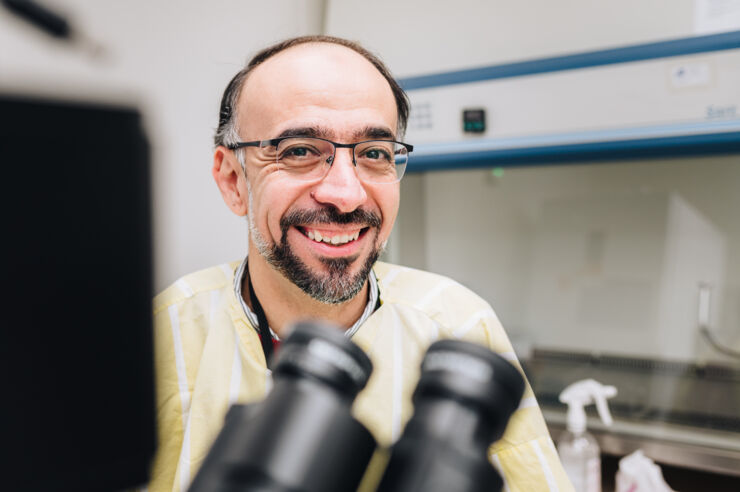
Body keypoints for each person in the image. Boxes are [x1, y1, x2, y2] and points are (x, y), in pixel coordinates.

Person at [148, 35, 573, 492]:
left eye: (374, 154)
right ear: (234, 180)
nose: (346, 194)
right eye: (299, 150)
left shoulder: (457, 323)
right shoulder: (163, 332)